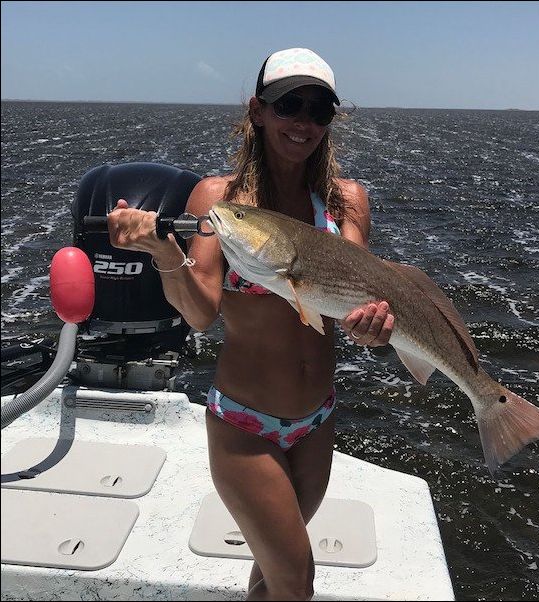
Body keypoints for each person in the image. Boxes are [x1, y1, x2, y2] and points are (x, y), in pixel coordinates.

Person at [108, 47, 394, 601]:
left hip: (317, 420)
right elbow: (200, 312)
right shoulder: (220, 199)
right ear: (258, 111)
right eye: (289, 105)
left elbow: (355, 302)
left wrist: (371, 327)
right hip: (245, 426)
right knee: (296, 581)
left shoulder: (347, 201)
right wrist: (163, 252)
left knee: (269, 578)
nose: (303, 121)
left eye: (318, 109)